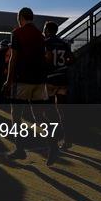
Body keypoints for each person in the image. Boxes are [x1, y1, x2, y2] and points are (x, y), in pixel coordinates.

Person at [3, 7, 59, 165]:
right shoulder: (41, 35)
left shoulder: (17, 33)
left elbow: (13, 58)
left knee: (16, 115)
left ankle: (20, 149)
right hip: (39, 80)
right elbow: (47, 57)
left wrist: (8, 81)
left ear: (20, 17)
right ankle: (53, 144)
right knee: (39, 116)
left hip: (22, 80)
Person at [43, 21, 74, 149]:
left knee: (49, 111)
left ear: (48, 30)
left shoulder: (46, 42)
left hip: (51, 79)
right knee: (62, 110)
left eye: (45, 29)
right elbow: (72, 59)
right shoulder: (64, 43)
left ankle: (53, 140)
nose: (44, 31)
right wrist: (64, 65)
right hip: (63, 79)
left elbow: (48, 58)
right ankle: (67, 140)